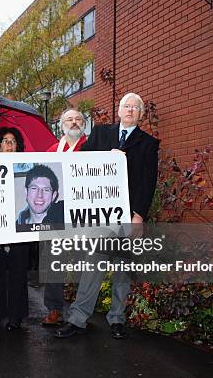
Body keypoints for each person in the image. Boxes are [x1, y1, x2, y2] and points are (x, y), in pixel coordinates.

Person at [54, 92, 159, 340]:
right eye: (127, 106)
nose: (131, 110)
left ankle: (117, 319)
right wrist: (106, 157)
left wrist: (139, 216)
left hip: (128, 216)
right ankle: (78, 319)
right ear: (119, 110)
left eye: (136, 107)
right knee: (93, 266)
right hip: (101, 216)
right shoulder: (101, 134)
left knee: (122, 270)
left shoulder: (148, 143)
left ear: (140, 114)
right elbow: (80, 162)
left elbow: (148, 182)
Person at [42, 109, 89, 327]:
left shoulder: (94, 148)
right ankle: (54, 309)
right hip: (57, 213)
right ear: (62, 125)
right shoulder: (52, 151)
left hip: (83, 213)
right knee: (53, 261)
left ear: (84, 123)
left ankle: (82, 310)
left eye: (78, 119)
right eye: (69, 119)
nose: (74, 122)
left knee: (82, 262)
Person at [0, 127, 32, 330]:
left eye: (13, 141)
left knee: (18, 273)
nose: (9, 144)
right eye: (5, 140)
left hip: (20, 226)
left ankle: (16, 317)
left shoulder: (29, 166)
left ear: (18, 145)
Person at [15, 164, 64, 232]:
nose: (40, 195)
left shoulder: (63, 214)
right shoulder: (16, 228)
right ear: (26, 192)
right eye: (34, 188)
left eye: (46, 190)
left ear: (54, 196)